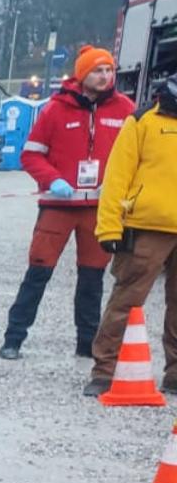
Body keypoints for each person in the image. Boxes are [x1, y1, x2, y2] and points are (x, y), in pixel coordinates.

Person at [1, 46, 135, 362]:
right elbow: (30, 154)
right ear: (82, 74)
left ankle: (86, 344)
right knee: (38, 273)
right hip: (58, 206)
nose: (105, 76)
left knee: (92, 279)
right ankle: (13, 339)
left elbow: (136, 157)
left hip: (99, 209)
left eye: (109, 70)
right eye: (98, 71)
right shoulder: (55, 110)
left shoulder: (126, 109)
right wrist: (52, 180)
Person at [85, 74, 177, 397]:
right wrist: (109, 226)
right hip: (146, 228)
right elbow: (117, 176)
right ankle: (104, 371)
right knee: (126, 300)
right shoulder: (142, 121)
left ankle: (175, 374)